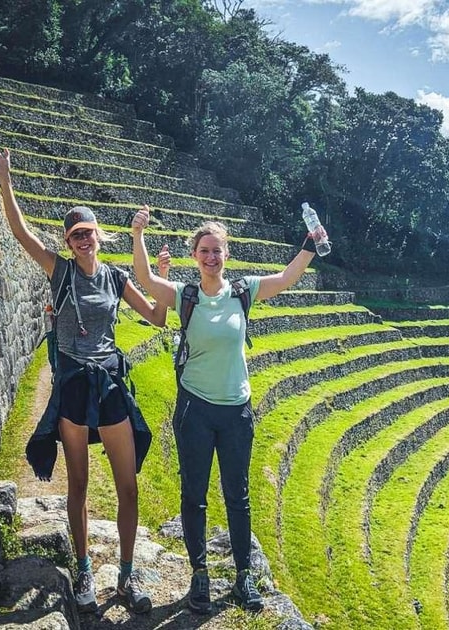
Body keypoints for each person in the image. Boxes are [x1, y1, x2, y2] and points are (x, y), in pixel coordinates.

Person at [0, 139, 169, 615]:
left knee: (128, 486)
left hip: (108, 382)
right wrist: (6, 182)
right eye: (75, 236)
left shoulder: (116, 278)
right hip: (74, 387)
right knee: (79, 484)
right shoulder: (60, 272)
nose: (83, 241)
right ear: (68, 243)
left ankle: (126, 575)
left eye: (88, 233)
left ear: (99, 235)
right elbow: (21, 234)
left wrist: (163, 279)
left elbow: (157, 317)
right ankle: (85, 569)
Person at [129, 205, 326, 614]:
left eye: (217, 250)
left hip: (236, 410)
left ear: (227, 254)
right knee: (195, 496)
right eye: (204, 250)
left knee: (238, 497)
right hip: (195, 409)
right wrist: (138, 235)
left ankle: (242, 578)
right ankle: (199, 576)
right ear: (194, 255)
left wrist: (311, 243)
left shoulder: (243, 290)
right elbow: (146, 279)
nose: (211, 257)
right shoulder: (185, 295)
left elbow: (287, 279)